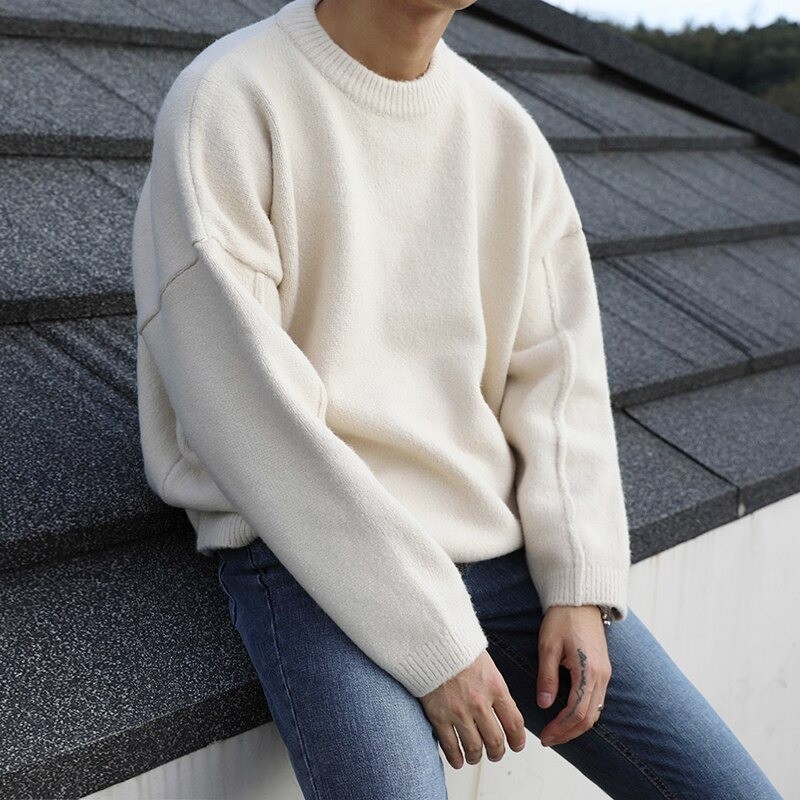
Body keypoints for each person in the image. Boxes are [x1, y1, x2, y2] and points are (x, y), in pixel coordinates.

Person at [131, 0, 784, 797]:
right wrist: (434, 640)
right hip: (313, 557)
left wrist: (579, 582)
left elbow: (560, 377)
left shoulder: (501, 130)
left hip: (497, 555)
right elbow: (243, 405)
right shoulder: (228, 99)